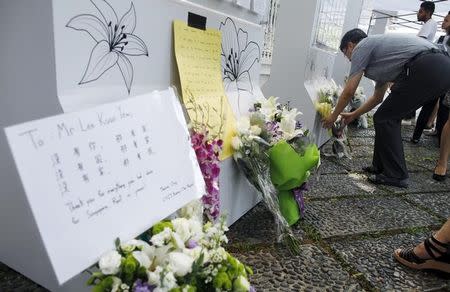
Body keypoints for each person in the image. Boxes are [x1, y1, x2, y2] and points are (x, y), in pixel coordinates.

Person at [322, 29, 450, 188]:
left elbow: (349, 91)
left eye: (345, 53)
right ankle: (380, 166)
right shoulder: (383, 56)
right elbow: (378, 98)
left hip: (427, 65)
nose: (348, 59)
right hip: (439, 67)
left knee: (386, 118)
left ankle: (397, 175)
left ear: (350, 45)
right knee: (383, 116)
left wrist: (333, 116)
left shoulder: (361, 47)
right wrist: (353, 114)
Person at [411, 11, 450, 144]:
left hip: (446, 80)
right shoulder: (441, 38)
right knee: (429, 106)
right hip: (438, 77)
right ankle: (416, 135)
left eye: (446, 20)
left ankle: (440, 140)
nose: (443, 22)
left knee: (443, 112)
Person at [402, 1, 438, 125]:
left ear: (427, 12)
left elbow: (419, 42)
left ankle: (409, 117)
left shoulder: (430, 23)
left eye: (421, 11)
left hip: (421, 61)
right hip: (421, 60)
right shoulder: (428, 24)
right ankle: (409, 116)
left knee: (410, 89)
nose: (418, 13)